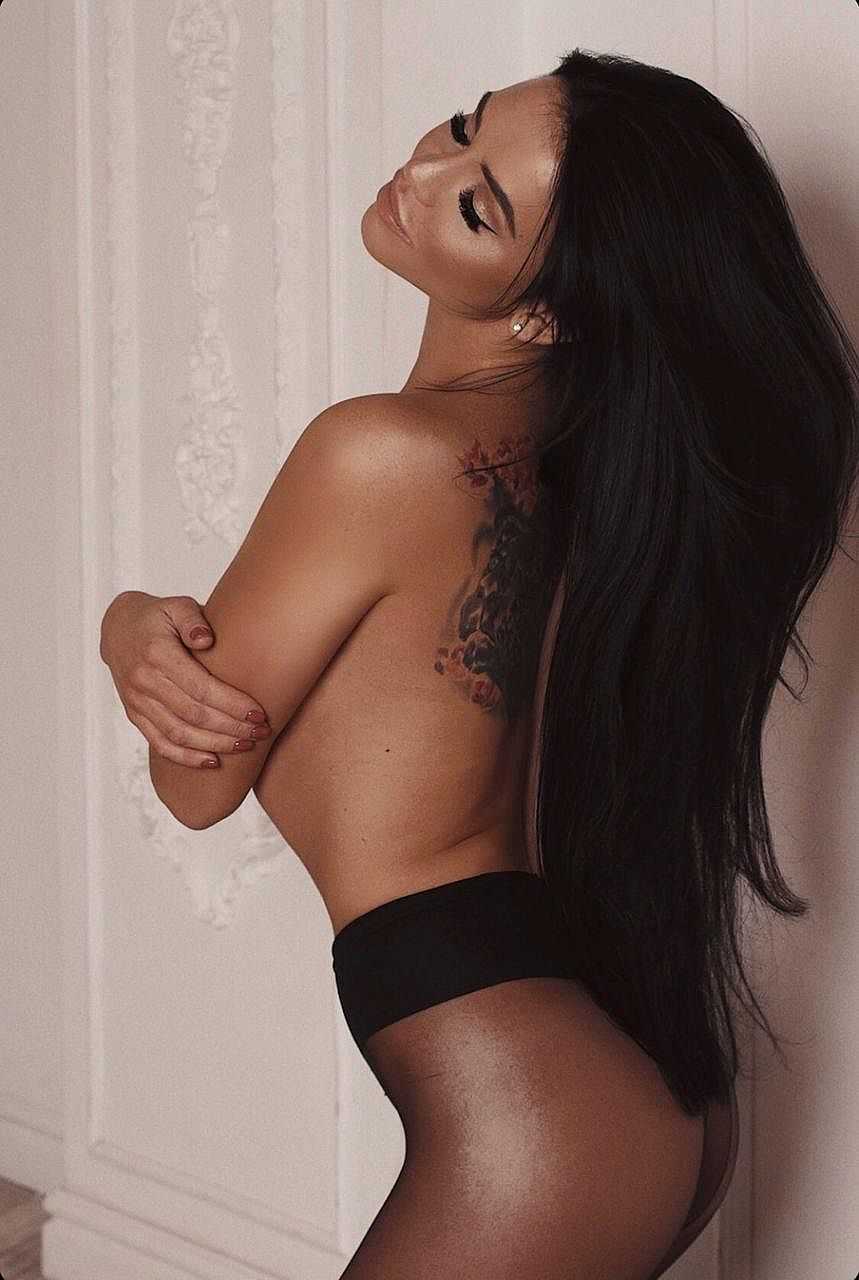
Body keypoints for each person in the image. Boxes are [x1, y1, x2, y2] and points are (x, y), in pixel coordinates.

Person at [99, 49, 859, 1278]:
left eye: (476, 204)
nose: (422, 170)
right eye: (463, 127)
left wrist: (128, 624)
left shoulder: (374, 453)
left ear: (549, 308)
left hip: (538, 1124)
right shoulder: (606, 480)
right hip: (644, 1076)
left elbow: (196, 782)